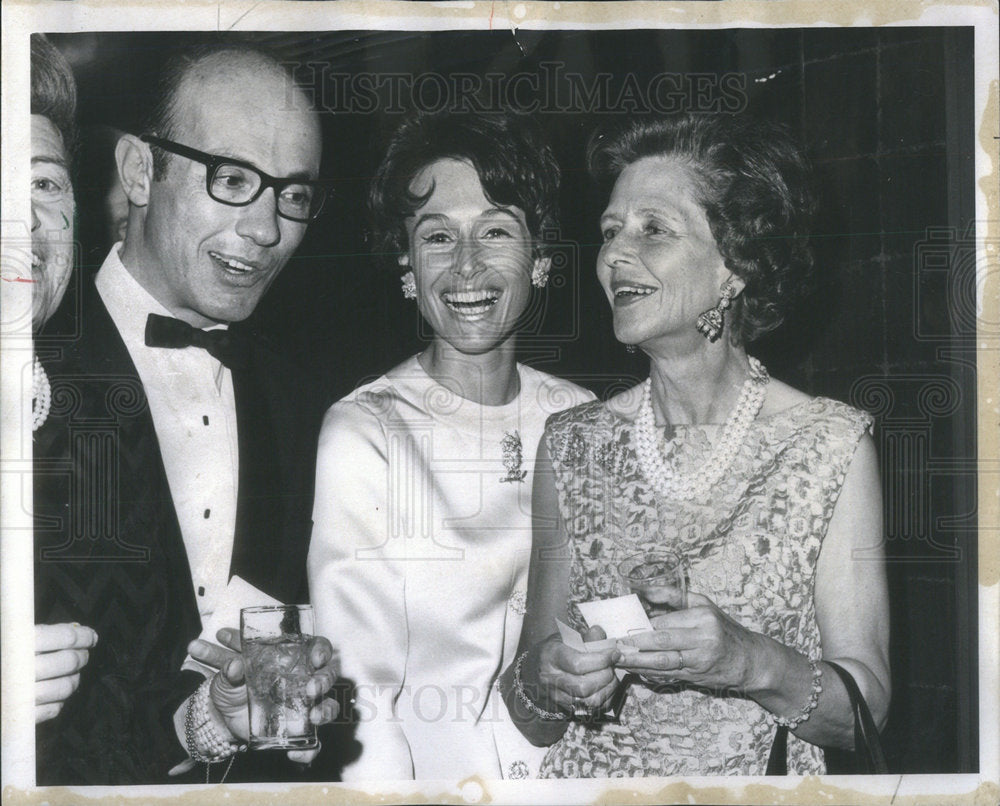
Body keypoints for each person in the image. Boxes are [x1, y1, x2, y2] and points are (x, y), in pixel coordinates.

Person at [500, 113, 890, 776]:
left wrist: (748, 661)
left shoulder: (829, 445)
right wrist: (545, 676)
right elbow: (529, 714)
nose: (614, 255)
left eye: (653, 228)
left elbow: (866, 714)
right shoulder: (572, 447)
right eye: (610, 231)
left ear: (735, 264)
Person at [33, 42, 338, 785]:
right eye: (231, 179)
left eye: (293, 195)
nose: (266, 230)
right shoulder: (29, 364)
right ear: (140, 172)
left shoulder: (304, 401)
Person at [308, 110, 594, 780]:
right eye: (438, 236)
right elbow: (361, 703)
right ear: (407, 265)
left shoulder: (581, 416)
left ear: (541, 257)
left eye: (496, 231)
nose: (467, 265)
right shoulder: (367, 431)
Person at [29, 32, 101, 727]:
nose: (23, 217)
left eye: (44, 183)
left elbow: (107, 725)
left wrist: (210, 718)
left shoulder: (95, 426)